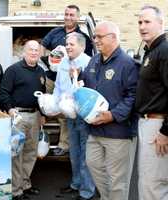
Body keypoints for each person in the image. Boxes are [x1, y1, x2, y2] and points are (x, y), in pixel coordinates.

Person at [80, 21, 138, 200]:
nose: (95, 40)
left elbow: (133, 96)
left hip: (118, 133)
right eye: (94, 36)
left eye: (99, 37)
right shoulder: (94, 60)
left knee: (117, 180)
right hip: (94, 130)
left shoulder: (128, 64)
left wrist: (112, 115)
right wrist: (76, 78)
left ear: (113, 37)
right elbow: (87, 87)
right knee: (94, 167)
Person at [41, 4, 93, 156]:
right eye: (66, 14)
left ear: (77, 17)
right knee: (45, 107)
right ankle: (40, 139)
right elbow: (43, 46)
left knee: (66, 110)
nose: (68, 17)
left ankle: (64, 144)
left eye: (72, 15)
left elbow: (86, 59)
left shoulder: (82, 37)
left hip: (72, 79)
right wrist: (48, 59)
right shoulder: (55, 32)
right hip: (51, 77)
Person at [0, 40, 46, 200]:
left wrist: (42, 115)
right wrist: (10, 109)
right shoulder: (13, 70)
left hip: (35, 116)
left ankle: (25, 185)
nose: (34, 52)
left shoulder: (41, 72)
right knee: (16, 153)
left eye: (36, 50)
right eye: (31, 50)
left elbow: (42, 95)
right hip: (18, 116)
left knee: (30, 153)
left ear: (40, 53)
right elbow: (4, 92)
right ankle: (15, 190)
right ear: (24, 52)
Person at [53, 32, 95, 200]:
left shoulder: (90, 63)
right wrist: (55, 104)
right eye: (67, 44)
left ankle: (86, 191)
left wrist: (76, 78)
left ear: (82, 46)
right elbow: (57, 86)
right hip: (68, 113)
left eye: (72, 44)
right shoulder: (63, 62)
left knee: (86, 154)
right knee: (74, 152)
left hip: (83, 115)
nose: (68, 47)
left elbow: (90, 91)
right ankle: (76, 184)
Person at [136, 5, 168, 200]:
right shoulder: (151, 51)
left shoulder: (164, 51)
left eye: (147, 21)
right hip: (149, 124)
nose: (142, 26)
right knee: (151, 182)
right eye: (139, 22)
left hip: (158, 126)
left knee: (153, 186)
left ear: (161, 23)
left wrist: (166, 131)